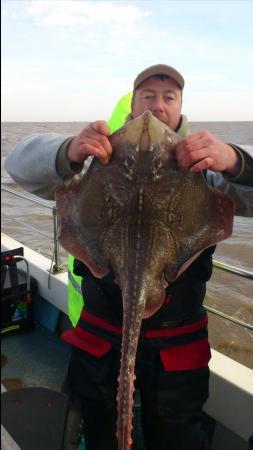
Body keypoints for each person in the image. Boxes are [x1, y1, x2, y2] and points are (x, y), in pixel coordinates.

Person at [5, 64, 253, 450]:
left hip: (177, 348)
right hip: (100, 339)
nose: (157, 107)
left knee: (177, 435)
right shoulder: (94, 163)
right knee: (99, 425)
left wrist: (238, 161)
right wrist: (70, 149)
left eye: (168, 98)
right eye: (148, 97)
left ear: (181, 109)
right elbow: (17, 163)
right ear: (133, 105)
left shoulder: (207, 172)